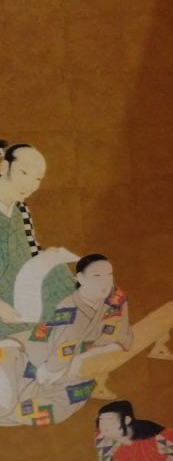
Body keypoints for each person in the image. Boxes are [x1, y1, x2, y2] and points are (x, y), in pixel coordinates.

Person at [0, 254, 133, 427]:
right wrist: (49, 369)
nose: (105, 281)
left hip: (76, 366)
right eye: (97, 275)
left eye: (109, 274)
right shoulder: (69, 306)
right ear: (81, 278)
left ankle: (11, 405)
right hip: (44, 350)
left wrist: (82, 358)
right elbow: (60, 347)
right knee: (7, 357)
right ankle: (8, 400)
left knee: (54, 406)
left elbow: (118, 338)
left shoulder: (115, 298)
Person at [0, 139, 77, 338]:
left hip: (20, 281)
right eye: (24, 173)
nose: (30, 185)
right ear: (5, 166)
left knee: (57, 270)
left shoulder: (21, 209)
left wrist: (45, 256)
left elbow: (30, 246)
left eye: (37, 178)